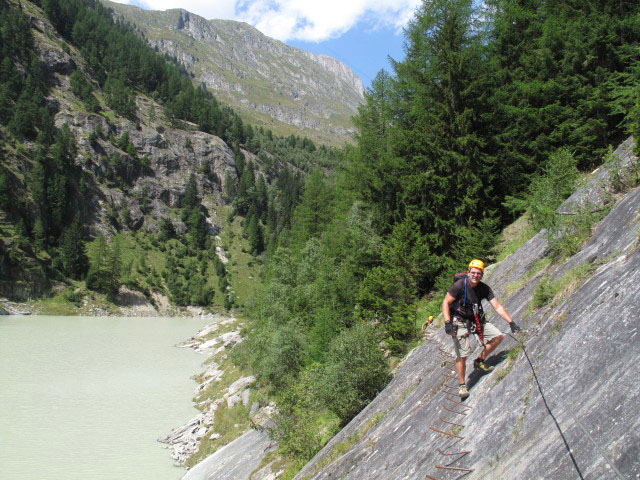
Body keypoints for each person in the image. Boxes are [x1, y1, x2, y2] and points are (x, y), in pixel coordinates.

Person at [441, 259, 521, 398]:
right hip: (459, 321)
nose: (475, 275)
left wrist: (511, 322)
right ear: (468, 272)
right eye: (473, 272)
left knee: (498, 336)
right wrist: (447, 323)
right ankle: (462, 385)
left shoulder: (484, 288)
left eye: (478, 273)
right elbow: (446, 302)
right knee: (462, 355)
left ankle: (479, 361)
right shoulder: (459, 286)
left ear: (482, 274)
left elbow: (497, 306)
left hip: (476, 319)